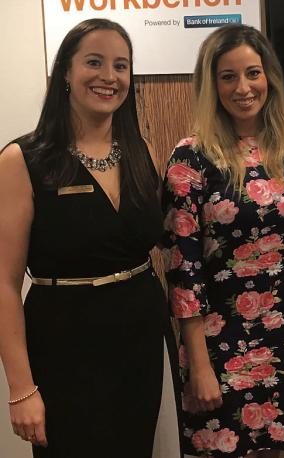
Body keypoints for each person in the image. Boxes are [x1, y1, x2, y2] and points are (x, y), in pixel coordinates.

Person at [0, 18, 170, 457]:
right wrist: (21, 388)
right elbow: (2, 283)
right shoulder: (23, 160)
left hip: (138, 342)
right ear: (66, 74)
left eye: (121, 65)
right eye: (94, 62)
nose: (109, 77)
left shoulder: (143, 151)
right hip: (63, 346)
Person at [162, 24, 284, 457]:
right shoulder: (190, 157)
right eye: (228, 76)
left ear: (270, 76)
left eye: (252, 73)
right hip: (218, 345)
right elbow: (183, 268)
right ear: (211, 85)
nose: (243, 87)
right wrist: (200, 367)